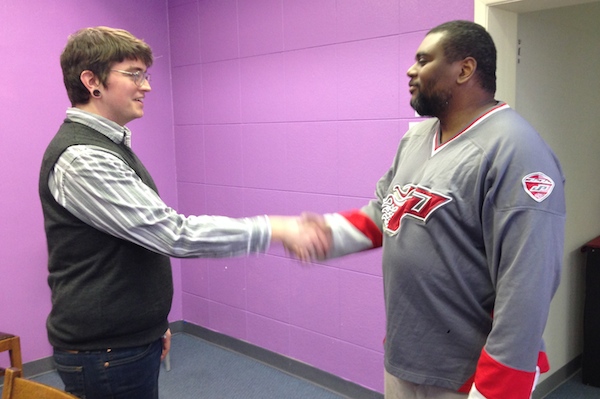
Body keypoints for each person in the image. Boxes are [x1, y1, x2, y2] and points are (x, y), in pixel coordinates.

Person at [38, 26, 330, 399]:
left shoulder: (108, 146)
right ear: (92, 81)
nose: (146, 87)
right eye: (134, 75)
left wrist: (152, 323)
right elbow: (173, 233)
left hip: (124, 342)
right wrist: (275, 228)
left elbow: (132, 242)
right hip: (106, 353)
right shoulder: (83, 158)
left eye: (146, 75)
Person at [303, 20, 565, 399]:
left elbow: (528, 284)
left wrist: (497, 389)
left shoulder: (516, 150)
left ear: (464, 69)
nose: (411, 70)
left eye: (424, 60)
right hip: (407, 356)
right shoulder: (417, 137)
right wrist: (326, 233)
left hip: (469, 375)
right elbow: (386, 211)